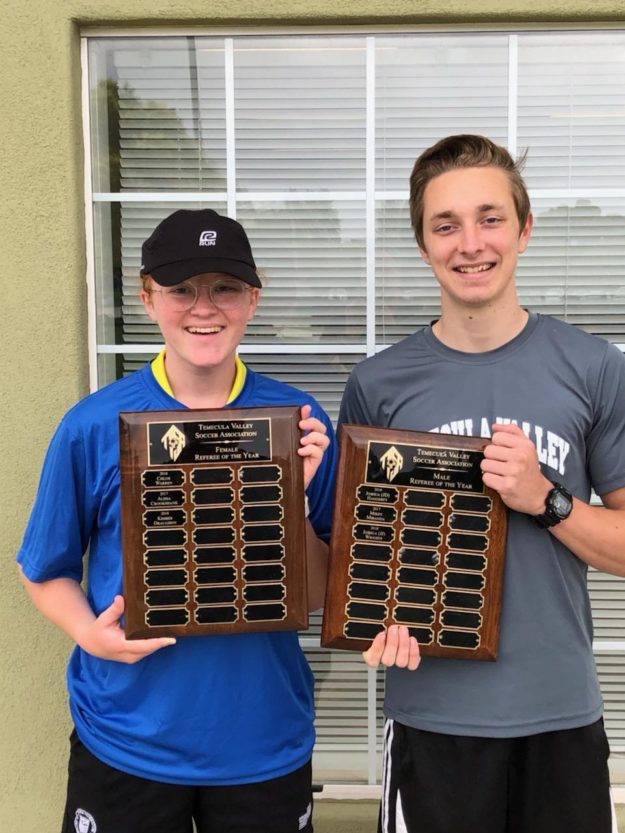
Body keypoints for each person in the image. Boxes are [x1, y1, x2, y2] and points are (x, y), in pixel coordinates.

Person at [338, 135, 625, 833]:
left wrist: (548, 500)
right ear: (423, 243)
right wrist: (372, 617)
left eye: (489, 218)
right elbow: (358, 559)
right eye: (446, 224)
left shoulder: (592, 367)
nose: (470, 243)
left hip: (559, 714)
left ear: (523, 231)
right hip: (430, 717)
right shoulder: (376, 384)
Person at [17, 208, 338, 833]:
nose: (203, 308)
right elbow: (45, 570)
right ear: (146, 297)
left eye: (224, 287)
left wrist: (287, 501)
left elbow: (323, 593)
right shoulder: (92, 425)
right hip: (127, 738)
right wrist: (91, 635)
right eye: (180, 288)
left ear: (252, 298)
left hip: (261, 742)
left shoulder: (298, 423)